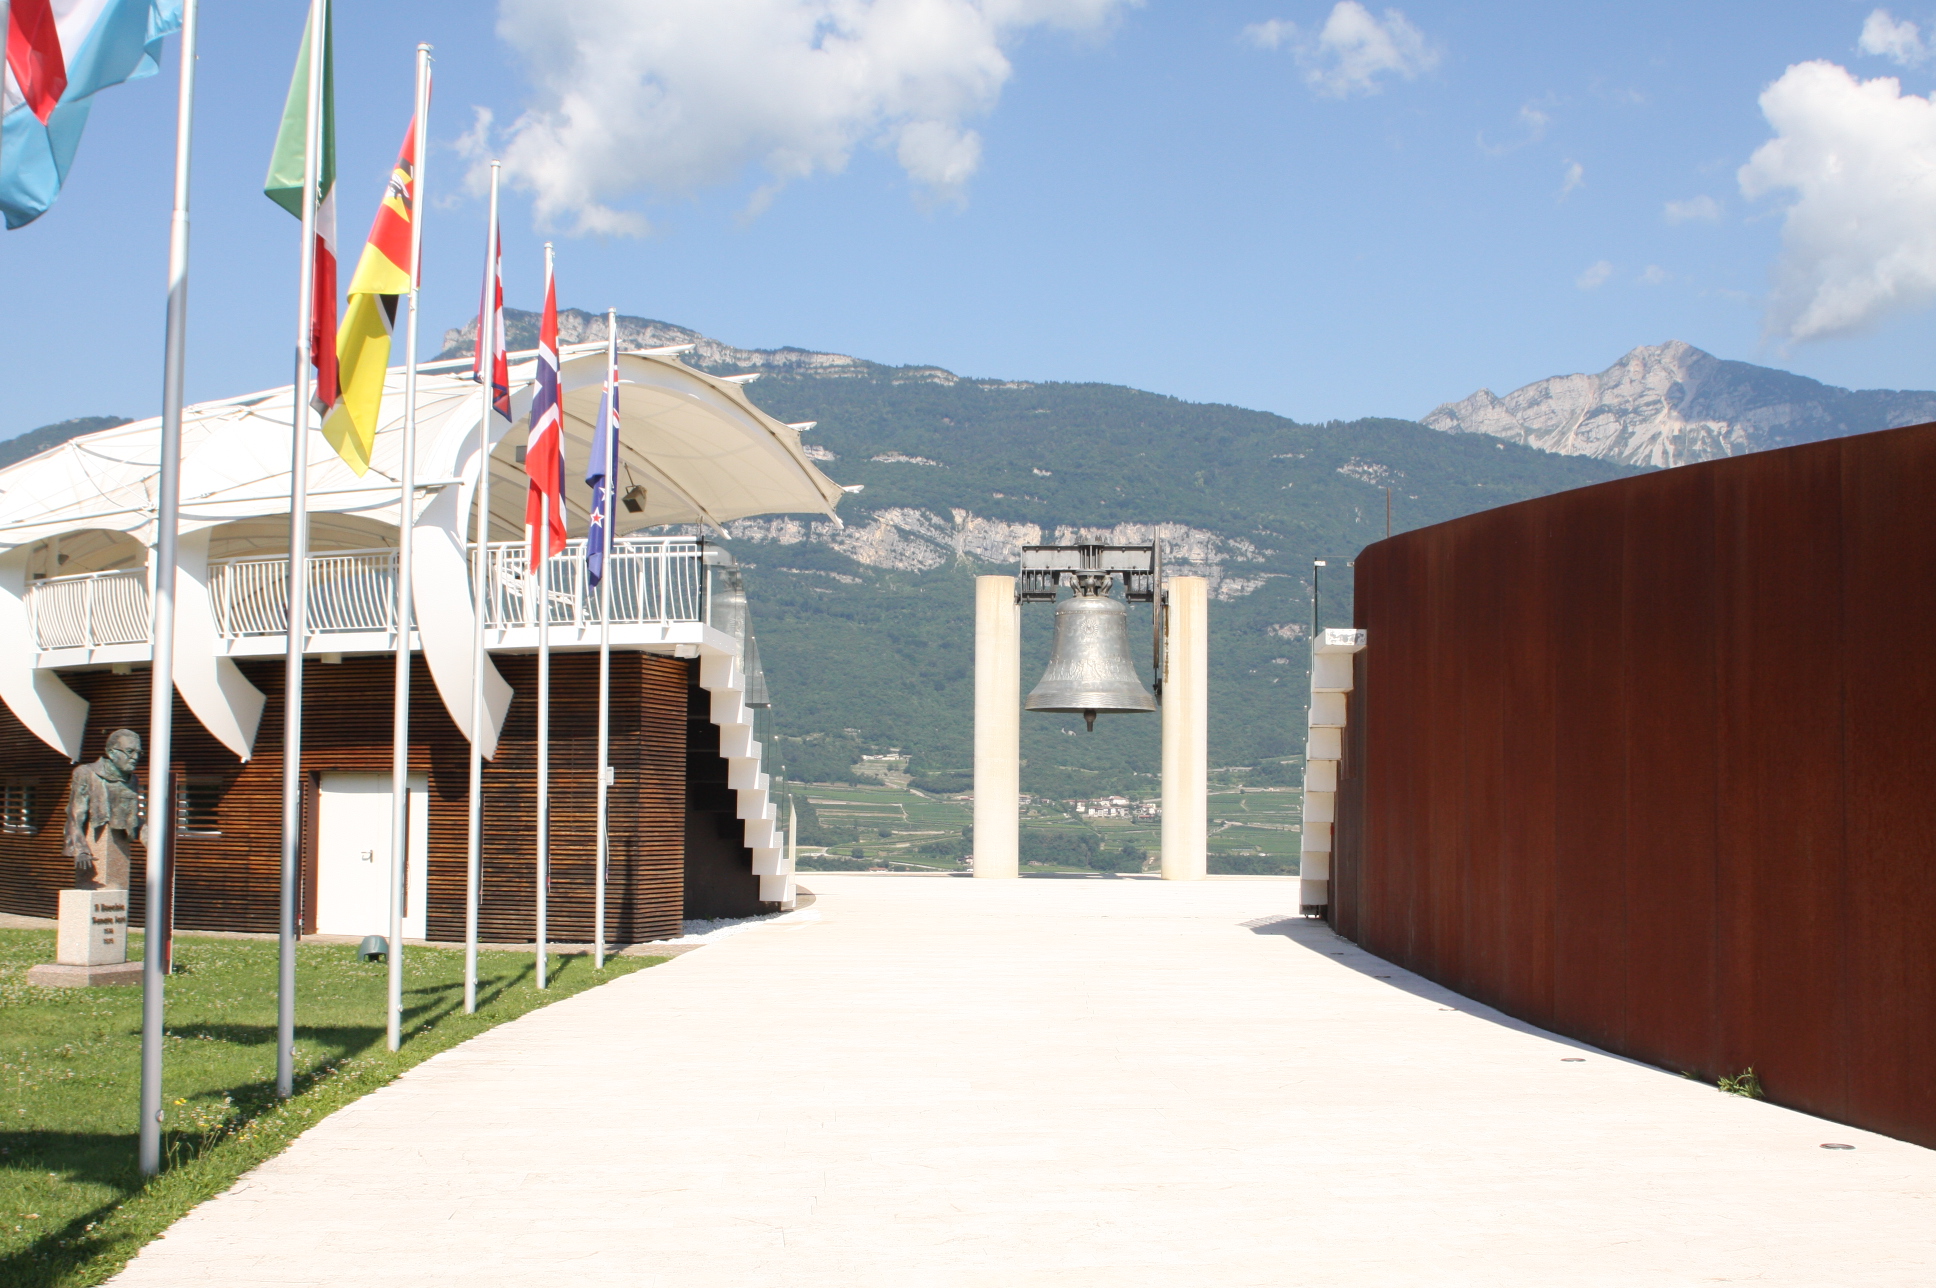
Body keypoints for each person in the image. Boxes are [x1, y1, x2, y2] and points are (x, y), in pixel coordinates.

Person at [63, 728, 144, 890]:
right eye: (130, 751)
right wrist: (80, 849)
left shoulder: (132, 779)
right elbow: (75, 815)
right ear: (111, 752)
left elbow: (133, 817)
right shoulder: (86, 773)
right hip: (93, 847)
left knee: (117, 889)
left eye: (139, 753)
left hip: (119, 849)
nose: (135, 757)